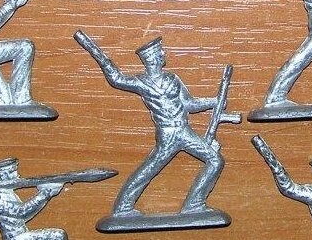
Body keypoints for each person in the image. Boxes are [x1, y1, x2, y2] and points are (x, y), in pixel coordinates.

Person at [77, 34, 225, 216]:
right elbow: (116, 79)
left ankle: (194, 204)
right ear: (152, 58)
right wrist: (98, 55)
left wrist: (214, 101)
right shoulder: (141, 82)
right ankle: (123, 207)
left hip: (184, 131)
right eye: (160, 52)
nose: (164, 53)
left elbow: (189, 104)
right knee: (150, 169)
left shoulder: (172, 79)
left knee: (215, 160)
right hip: (167, 134)